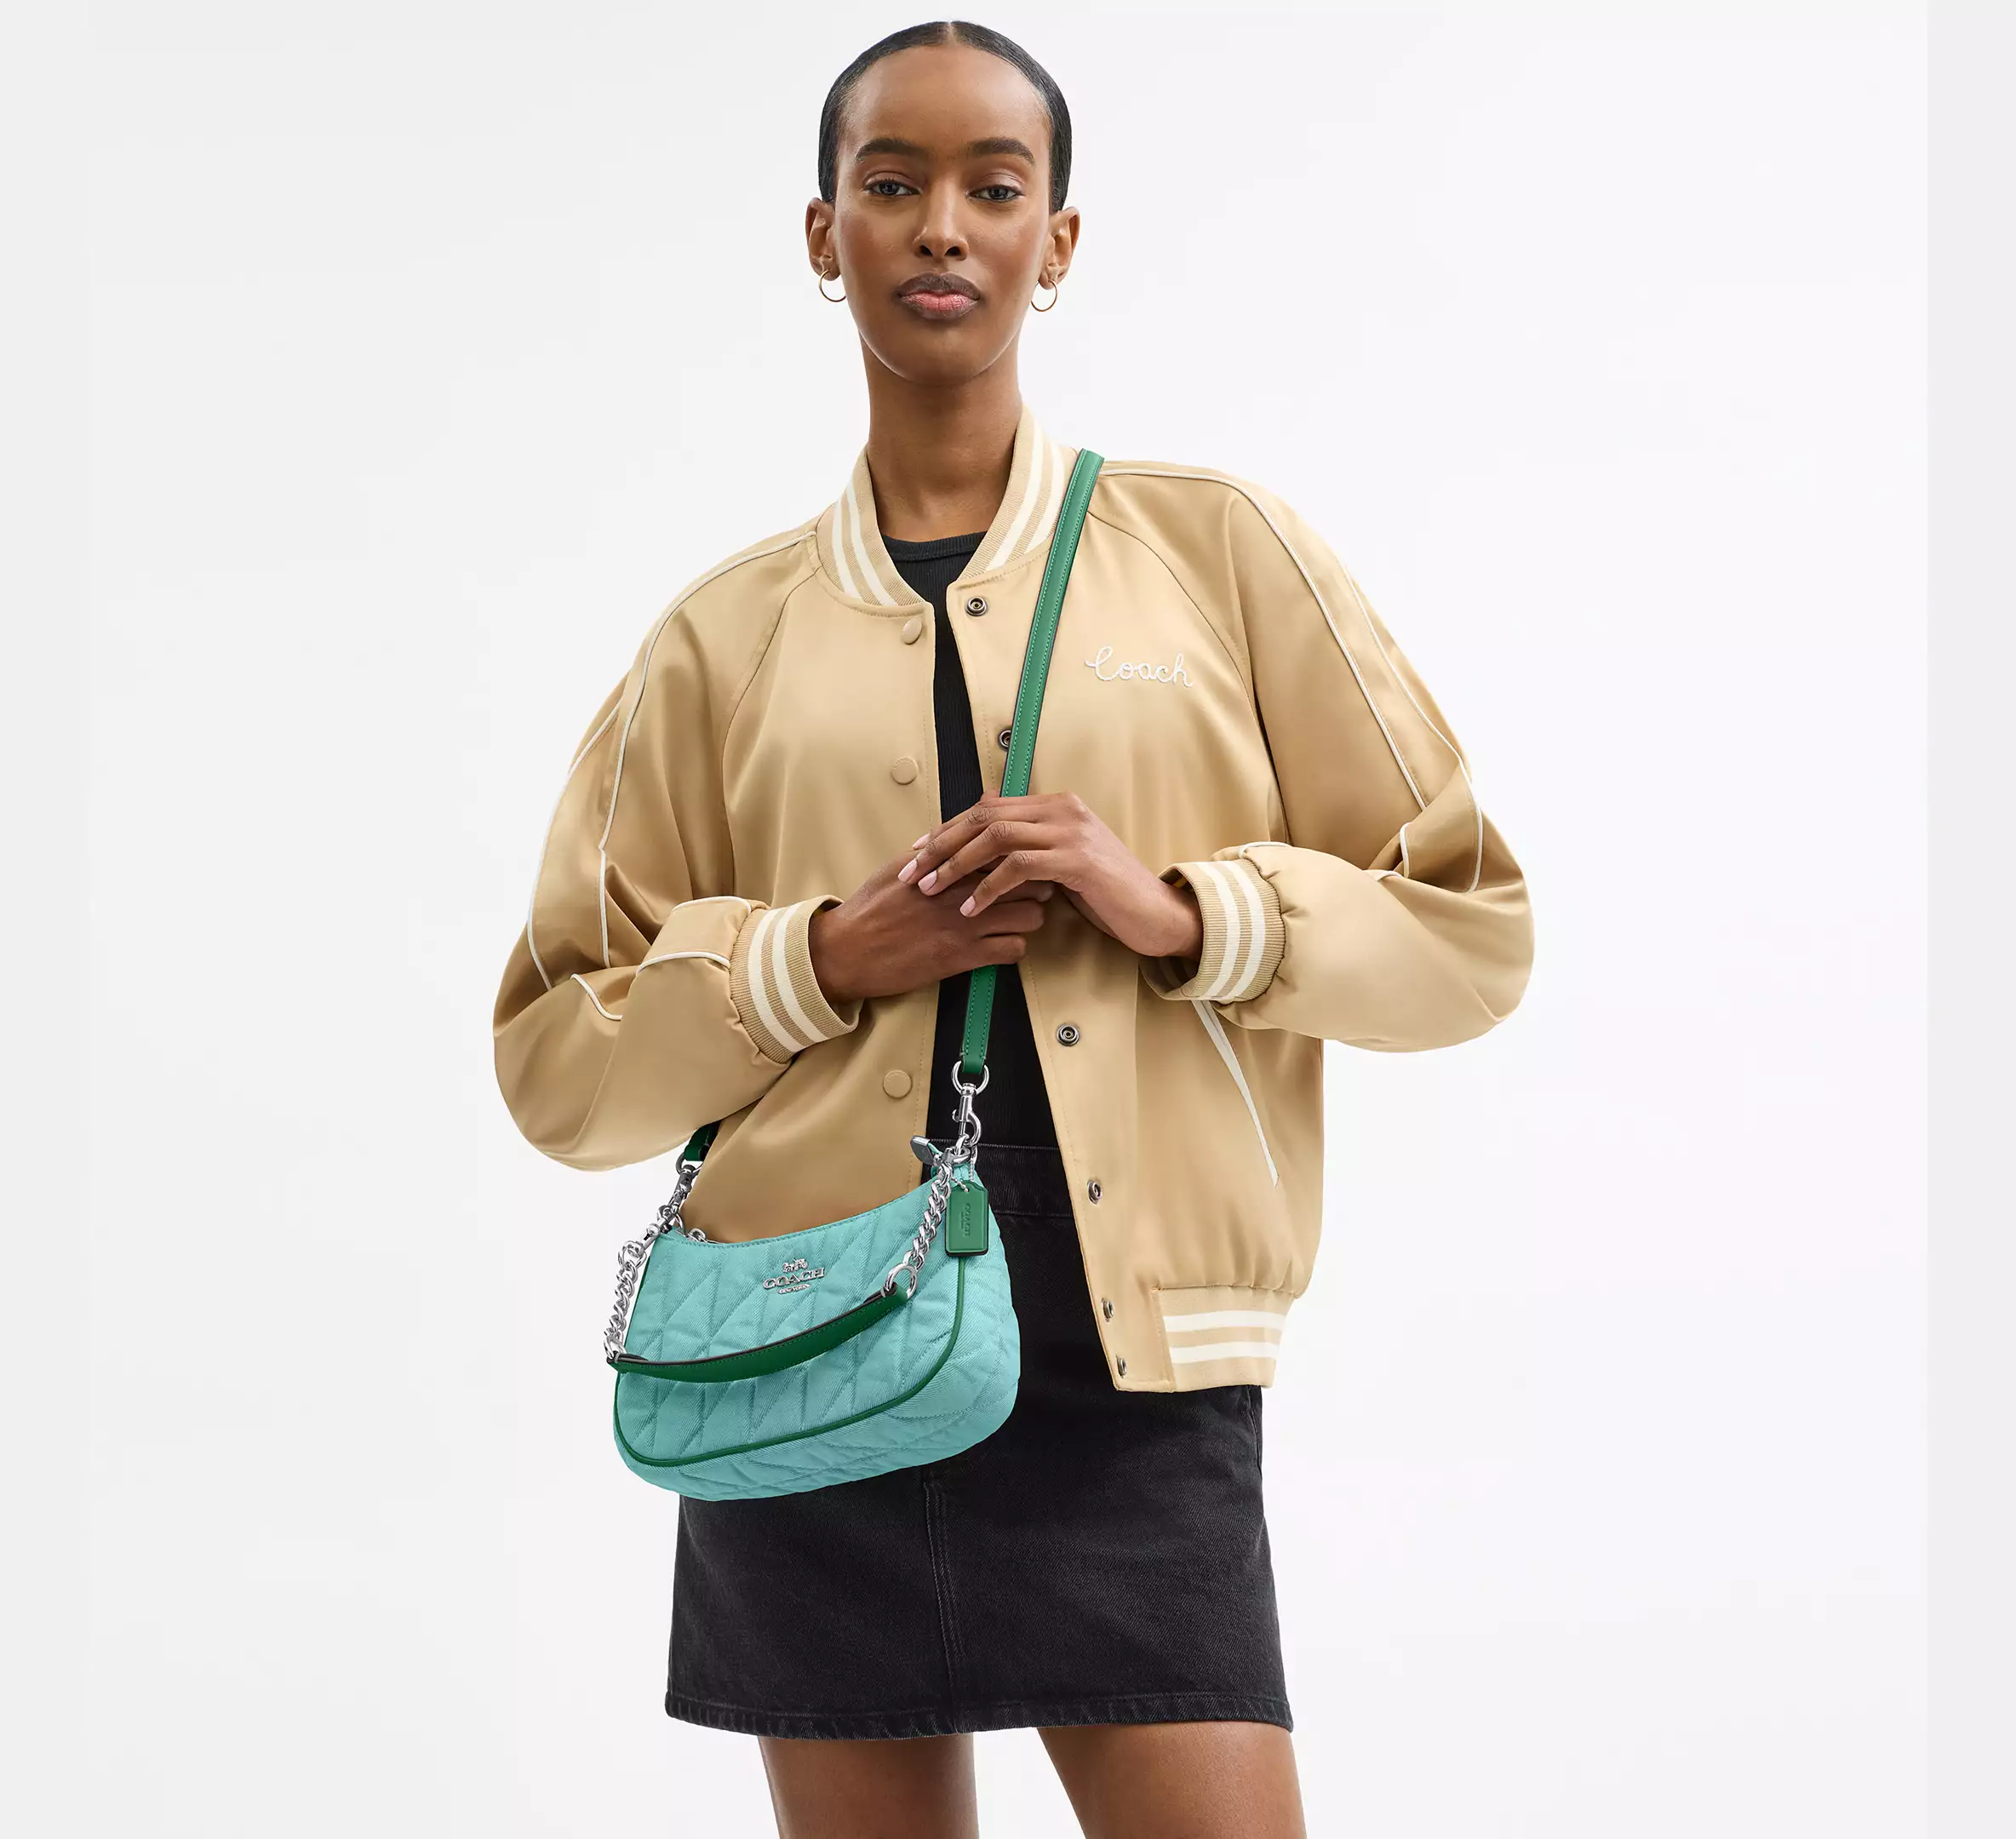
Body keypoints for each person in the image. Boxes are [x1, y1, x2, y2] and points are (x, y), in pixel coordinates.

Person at [491, 20, 1534, 1839]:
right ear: (821, 233)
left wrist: (1187, 910)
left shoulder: (1218, 553)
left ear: (1057, 240)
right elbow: (556, 1069)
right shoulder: (718, 641)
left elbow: (1470, 936)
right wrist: (813, 961)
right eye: (889, 183)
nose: (939, 227)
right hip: (806, 1347)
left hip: (1130, 1362)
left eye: (993, 186)